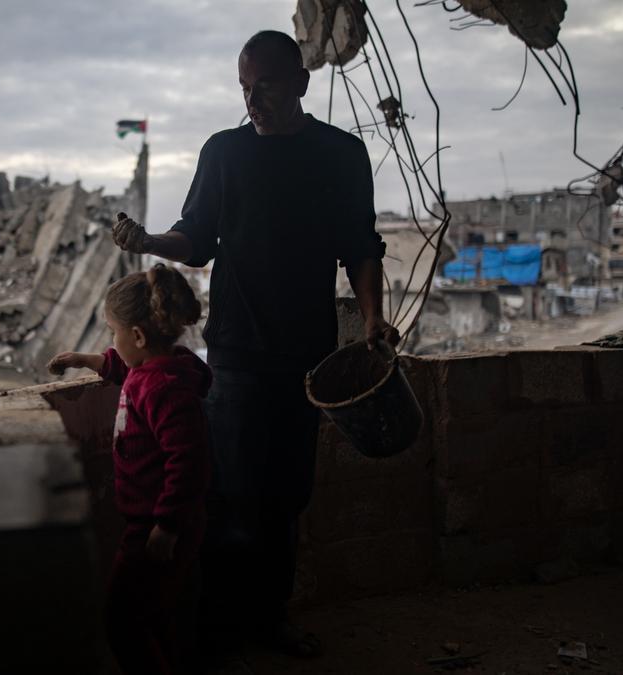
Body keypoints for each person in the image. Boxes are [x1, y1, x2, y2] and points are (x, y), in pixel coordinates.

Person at [109, 30, 400, 659]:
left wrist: (374, 318)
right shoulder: (225, 152)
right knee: (228, 496)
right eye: (244, 88)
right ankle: (217, 631)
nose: (252, 101)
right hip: (237, 351)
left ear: (300, 82)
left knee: (286, 495)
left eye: (264, 86)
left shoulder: (340, 154)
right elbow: (196, 237)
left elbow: (360, 247)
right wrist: (152, 242)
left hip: (309, 354)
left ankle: (270, 622)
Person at [47, 263, 212, 675]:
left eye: (112, 332)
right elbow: (126, 368)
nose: (111, 341)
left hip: (157, 527)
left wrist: (166, 526)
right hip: (156, 522)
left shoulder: (164, 389)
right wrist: (84, 359)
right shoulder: (157, 369)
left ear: (137, 336)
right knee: (155, 612)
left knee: (121, 621)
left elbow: (189, 462)